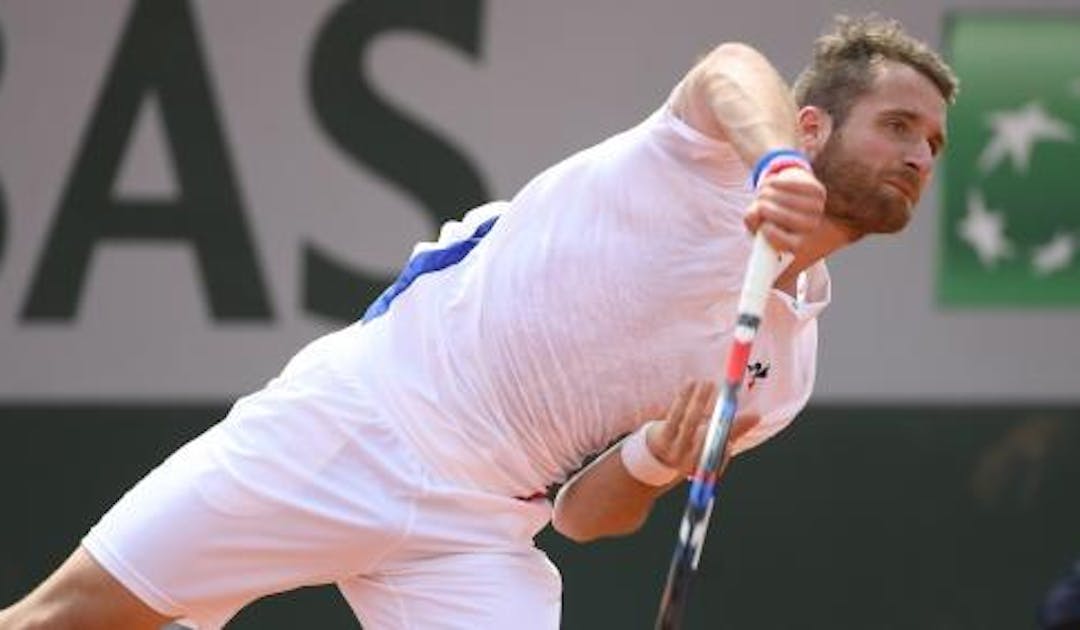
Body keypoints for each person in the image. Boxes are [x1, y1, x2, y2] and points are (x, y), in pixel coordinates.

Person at [0, 13, 956, 630]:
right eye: (898, 125)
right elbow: (729, 66)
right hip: (363, 417)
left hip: (479, 534)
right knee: (63, 620)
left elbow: (584, 516)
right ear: (816, 125)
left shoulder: (781, 374)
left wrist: (661, 460)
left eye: (934, 143)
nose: (920, 154)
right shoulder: (711, 156)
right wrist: (772, 164)